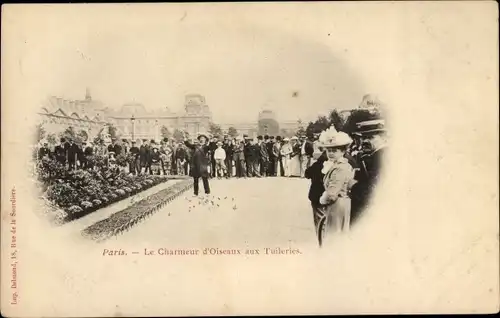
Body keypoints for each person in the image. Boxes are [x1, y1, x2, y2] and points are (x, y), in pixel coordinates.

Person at [317, 126, 355, 243]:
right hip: (340, 203)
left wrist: (323, 200)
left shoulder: (340, 167)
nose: (331, 153)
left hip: (337, 204)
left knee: (334, 236)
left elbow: (332, 193)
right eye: (329, 150)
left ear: (343, 151)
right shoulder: (338, 165)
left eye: (335, 150)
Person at [350, 119, 387, 225]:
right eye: (364, 137)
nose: (365, 141)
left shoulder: (383, 156)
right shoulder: (374, 155)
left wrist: (353, 187)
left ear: (383, 137)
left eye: (371, 137)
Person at [305, 146, 328, 233]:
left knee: (319, 218)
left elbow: (307, 174)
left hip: (317, 195)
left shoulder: (317, 164)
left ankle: (322, 238)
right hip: (332, 195)